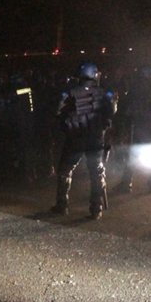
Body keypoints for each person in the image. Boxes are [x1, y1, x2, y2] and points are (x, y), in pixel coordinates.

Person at [51, 62, 116, 220]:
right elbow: (111, 113)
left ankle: (62, 205)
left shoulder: (69, 93)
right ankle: (96, 209)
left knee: (65, 171)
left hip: (75, 139)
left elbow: (58, 112)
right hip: (95, 139)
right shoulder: (103, 93)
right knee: (97, 173)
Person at [114, 66, 151, 194]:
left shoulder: (137, 89)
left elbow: (129, 108)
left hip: (140, 126)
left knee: (132, 155)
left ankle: (126, 183)